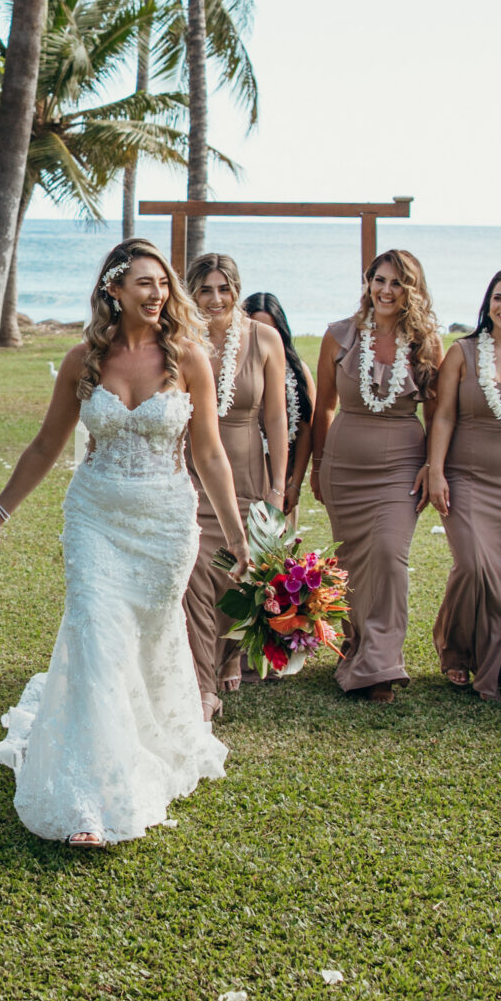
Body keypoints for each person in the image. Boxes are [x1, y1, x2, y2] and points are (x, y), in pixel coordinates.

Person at [0, 240, 246, 847]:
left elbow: (208, 453)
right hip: (95, 517)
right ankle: (89, 801)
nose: (157, 294)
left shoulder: (188, 360)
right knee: (97, 639)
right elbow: (47, 445)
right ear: (114, 291)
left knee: (149, 643)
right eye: (143, 284)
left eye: (162, 283)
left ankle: (150, 740)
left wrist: (237, 537)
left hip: (164, 525)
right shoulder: (85, 361)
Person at [308, 249, 442, 702]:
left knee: (388, 556)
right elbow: (323, 406)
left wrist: (433, 465)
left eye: (398, 283)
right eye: (379, 280)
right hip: (345, 464)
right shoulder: (338, 336)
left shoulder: (426, 343)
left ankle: (381, 664)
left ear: (412, 291)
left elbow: (440, 416)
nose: (386, 290)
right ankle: (357, 648)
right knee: (351, 565)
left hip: (401, 464)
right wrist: (318, 465)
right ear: (368, 283)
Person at [423, 270, 501, 701]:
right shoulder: (463, 352)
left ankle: (486, 658)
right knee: (478, 566)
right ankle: (458, 648)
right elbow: (443, 415)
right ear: (487, 304)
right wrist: (435, 470)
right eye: (498, 297)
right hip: (465, 477)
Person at [180, 253, 288, 719]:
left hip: (246, 471)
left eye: (224, 288)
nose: (216, 298)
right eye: (205, 289)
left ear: (237, 290)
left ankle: (228, 654)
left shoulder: (264, 339)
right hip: (190, 470)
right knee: (193, 574)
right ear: (191, 293)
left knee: (235, 572)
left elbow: (277, 418)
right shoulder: (181, 340)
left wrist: (278, 488)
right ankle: (202, 682)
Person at [244, 291, 313, 522]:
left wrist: (293, 485)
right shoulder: (234, 374)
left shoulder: (298, 371)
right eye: (257, 331)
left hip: (281, 480)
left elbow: (305, 431)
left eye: (270, 332)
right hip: (243, 475)